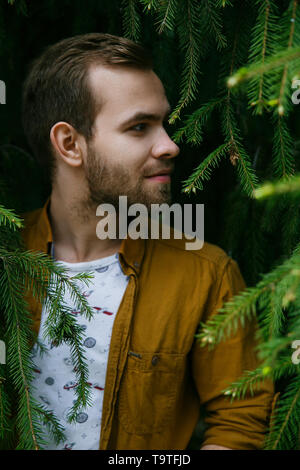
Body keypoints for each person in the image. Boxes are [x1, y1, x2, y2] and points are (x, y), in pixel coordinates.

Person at [20, 32, 274, 450]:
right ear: (70, 144)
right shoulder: (8, 257)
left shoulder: (204, 273)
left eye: (163, 124)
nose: (170, 146)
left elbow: (239, 418)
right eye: (139, 127)